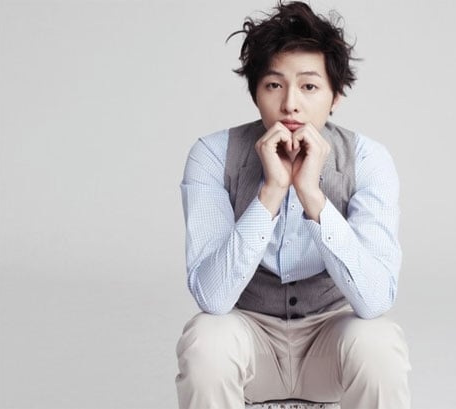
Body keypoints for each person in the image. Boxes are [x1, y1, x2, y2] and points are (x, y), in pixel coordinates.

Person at [175, 2, 411, 408]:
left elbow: (375, 301)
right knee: (205, 340)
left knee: (380, 342)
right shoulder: (213, 155)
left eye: (309, 87)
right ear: (255, 93)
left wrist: (312, 196)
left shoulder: (368, 159)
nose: (290, 104)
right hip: (249, 340)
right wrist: (271, 191)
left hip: (329, 343)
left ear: (336, 95)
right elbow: (213, 299)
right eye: (273, 85)